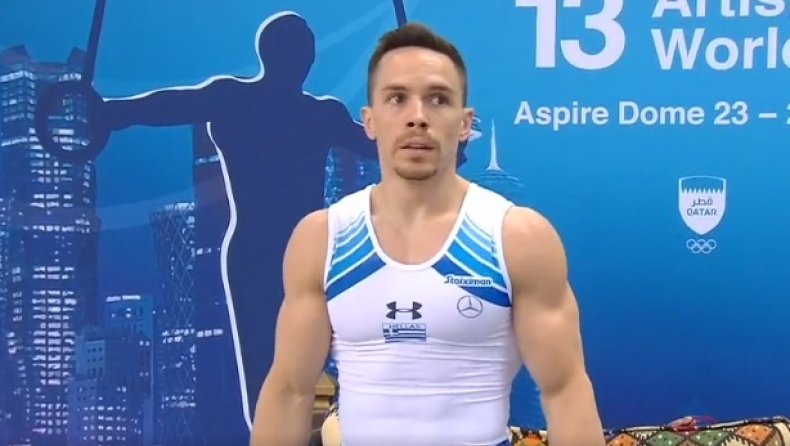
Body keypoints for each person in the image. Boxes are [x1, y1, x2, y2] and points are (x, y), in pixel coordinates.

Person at [250, 22, 606, 446]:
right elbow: (289, 390)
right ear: (369, 121)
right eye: (397, 98)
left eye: (438, 99)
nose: (417, 117)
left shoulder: (517, 237)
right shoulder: (324, 238)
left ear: (465, 123)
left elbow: (565, 389)